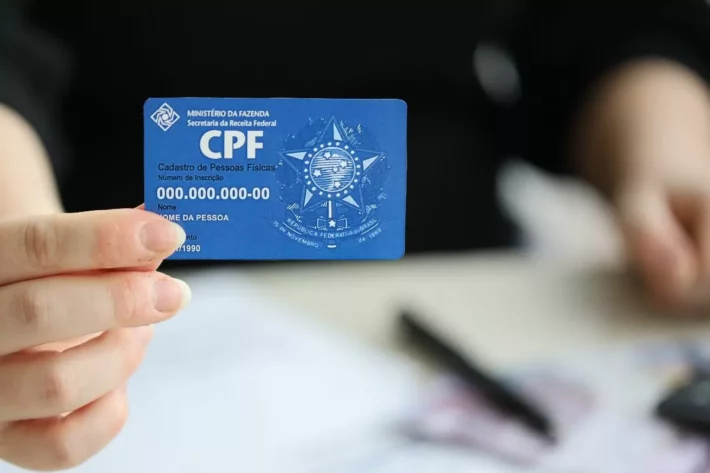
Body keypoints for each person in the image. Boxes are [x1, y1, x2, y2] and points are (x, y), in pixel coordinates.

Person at [3, 1, 710, 470]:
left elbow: (610, 20)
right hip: (121, 301)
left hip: (462, 295)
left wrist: (670, 160)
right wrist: (23, 241)